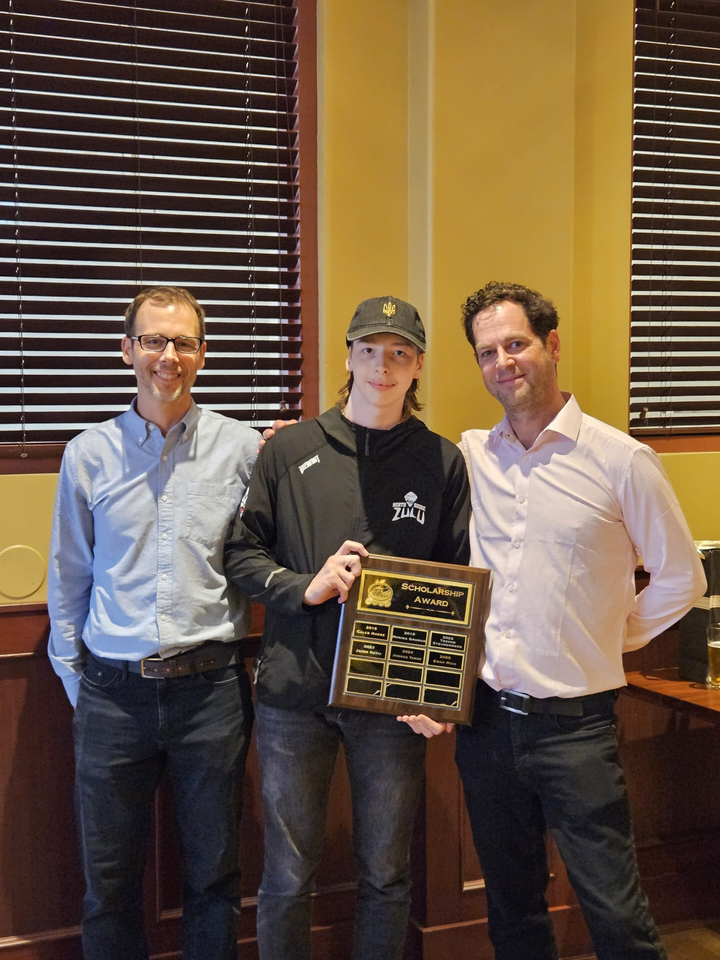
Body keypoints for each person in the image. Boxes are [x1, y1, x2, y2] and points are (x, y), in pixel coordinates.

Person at [453, 281, 706, 960]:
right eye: (487, 352)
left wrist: (613, 635)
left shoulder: (622, 460)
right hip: (483, 726)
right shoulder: (472, 455)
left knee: (617, 918)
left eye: (516, 344)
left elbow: (684, 576)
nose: (503, 362)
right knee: (512, 910)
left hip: (576, 728)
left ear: (551, 345)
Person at [224, 296, 470, 960]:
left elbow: (454, 582)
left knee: (387, 876)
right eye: (368, 350)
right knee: (286, 877)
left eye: (398, 353)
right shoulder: (290, 449)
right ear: (347, 358)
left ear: (418, 366)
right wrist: (304, 585)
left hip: (389, 704)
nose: (381, 366)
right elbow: (242, 553)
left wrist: (435, 689)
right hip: (292, 695)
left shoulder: (443, 463)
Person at [47, 286, 258, 960]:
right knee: (109, 885)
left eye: (184, 342)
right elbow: (69, 576)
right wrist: (81, 683)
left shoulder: (244, 450)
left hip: (211, 693)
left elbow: (267, 555)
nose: (169, 355)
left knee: (215, 878)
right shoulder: (88, 454)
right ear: (127, 350)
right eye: (153, 340)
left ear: (203, 353)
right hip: (112, 695)